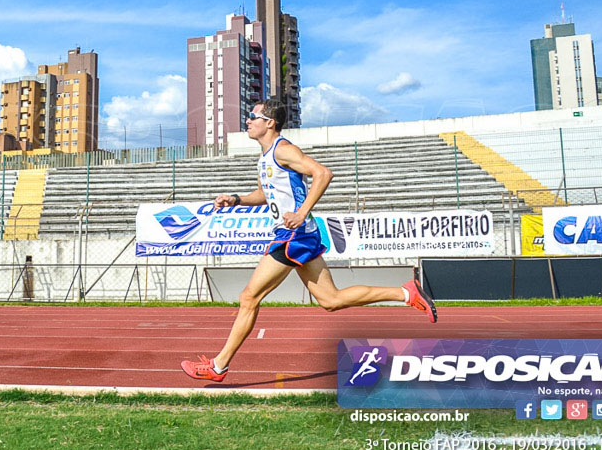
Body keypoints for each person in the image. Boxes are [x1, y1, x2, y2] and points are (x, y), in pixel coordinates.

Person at [181, 99, 437, 383]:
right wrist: (235, 200)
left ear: (270, 122)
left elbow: (323, 173)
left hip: (293, 235)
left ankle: (219, 366)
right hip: (299, 234)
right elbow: (264, 195)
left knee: (249, 297)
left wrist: (301, 213)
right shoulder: (265, 157)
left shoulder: (284, 150)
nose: (248, 121)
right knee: (331, 300)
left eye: (253, 116)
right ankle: (406, 293)